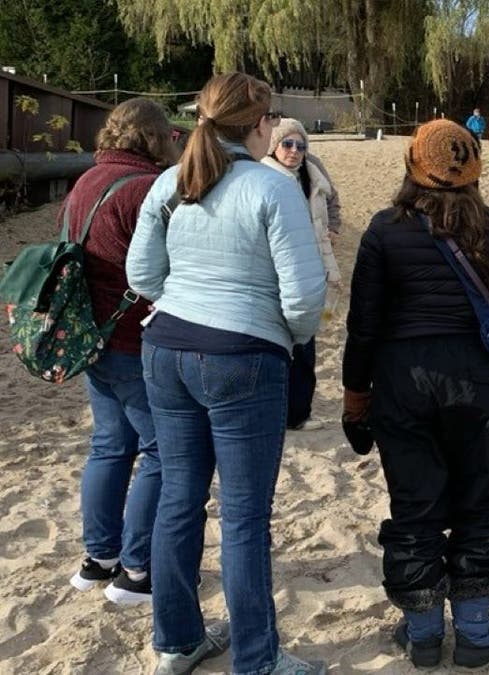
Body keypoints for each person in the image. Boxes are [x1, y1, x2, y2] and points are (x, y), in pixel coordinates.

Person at [127, 72, 327, 674]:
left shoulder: (172, 181)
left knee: (180, 499)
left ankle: (177, 640)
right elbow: (305, 295)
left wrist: (189, 302)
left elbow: (142, 274)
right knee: (243, 516)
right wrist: (284, 336)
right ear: (259, 124)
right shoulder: (271, 188)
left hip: (166, 348)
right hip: (241, 355)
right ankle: (257, 660)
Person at [342, 119, 489, 669]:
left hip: (404, 382)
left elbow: (363, 327)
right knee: (479, 505)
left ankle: (423, 633)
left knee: (414, 508)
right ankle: (473, 632)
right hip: (482, 385)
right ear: (472, 171)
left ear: (411, 166)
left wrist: (357, 398)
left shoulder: (384, 230)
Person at [64, 98, 177, 606]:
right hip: (132, 336)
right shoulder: (147, 188)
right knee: (158, 452)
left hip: (90, 335)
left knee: (109, 447)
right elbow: (167, 265)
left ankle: (98, 558)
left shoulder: (86, 181)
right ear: (154, 137)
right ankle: (136, 569)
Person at [261, 118, 342, 431]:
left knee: (306, 340)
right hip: (278, 269)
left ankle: (298, 413)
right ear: (274, 146)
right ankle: (274, 411)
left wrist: (333, 227)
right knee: (278, 344)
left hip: (314, 261)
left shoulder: (314, 170)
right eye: (287, 144)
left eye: (300, 145)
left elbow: (332, 199)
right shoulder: (263, 174)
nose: (294, 151)